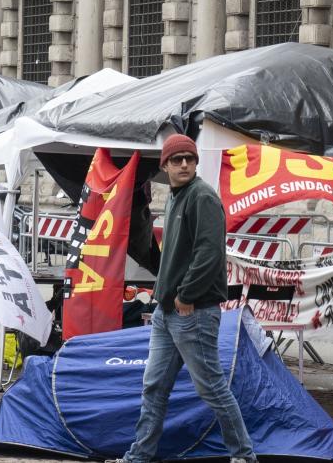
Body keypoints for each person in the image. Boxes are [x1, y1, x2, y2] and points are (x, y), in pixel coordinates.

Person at [110, 134, 256, 463]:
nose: (185, 164)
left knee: (212, 388)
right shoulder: (178, 196)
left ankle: (244, 456)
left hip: (193, 311)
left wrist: (186, 296)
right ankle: (139, 457)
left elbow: (209, 254)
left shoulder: (202, 196)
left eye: (189, 158)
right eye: (177, 160)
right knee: (154, 387)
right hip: (167, 313)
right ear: (164, 165)